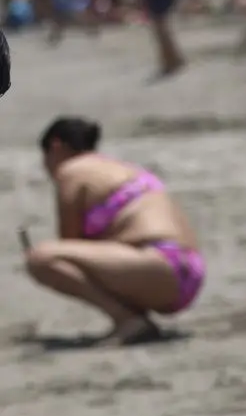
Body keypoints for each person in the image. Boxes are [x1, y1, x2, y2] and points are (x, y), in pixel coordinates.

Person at [23, 117, 205, 345]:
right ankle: (133, 318)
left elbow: (69, 244)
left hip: (158, 266)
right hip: (188, 270)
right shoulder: (120, 168)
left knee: (42, 258)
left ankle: (127, 320)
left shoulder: (71, 171)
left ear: (56, 146)